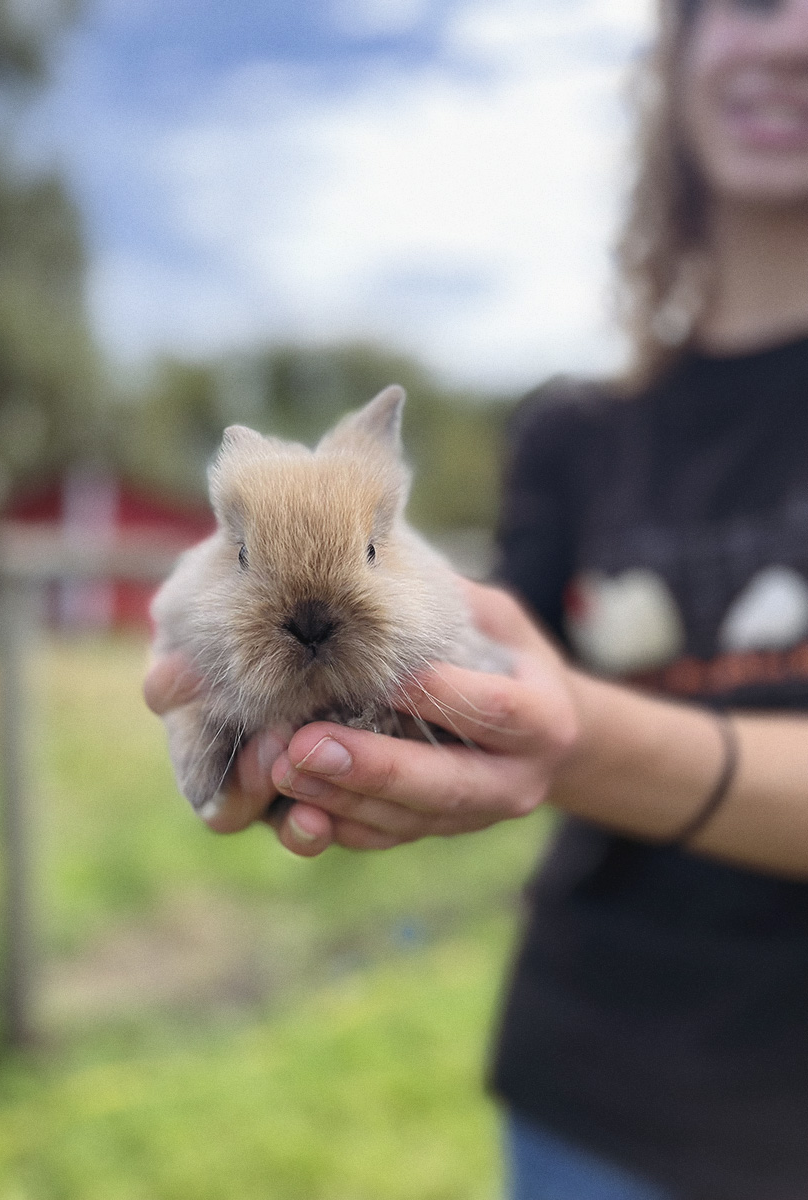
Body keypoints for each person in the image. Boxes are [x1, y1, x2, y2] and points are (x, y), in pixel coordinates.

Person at [145, 0, 808, 1195]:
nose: (794, 36)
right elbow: (510, 650)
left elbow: (552, 713)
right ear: (679, 54)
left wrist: (579, 742)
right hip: (586, 1079)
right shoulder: (569, 429)